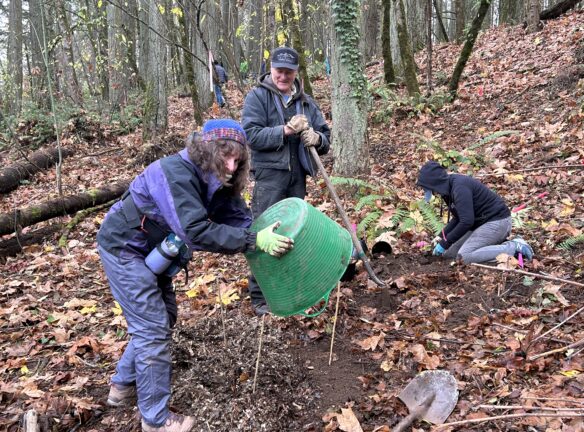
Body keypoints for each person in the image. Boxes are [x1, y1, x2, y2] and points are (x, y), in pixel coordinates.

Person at [97, 119, 293, 432]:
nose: (231, 166)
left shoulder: (218, 177)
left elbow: (240, 221)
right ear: (206, 150)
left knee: (164, 317)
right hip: (124, 248)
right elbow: (196, 230)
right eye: (225, 157)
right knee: (151, 328)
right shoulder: (174, 172)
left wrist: (268, 238)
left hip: (158, 251)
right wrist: (254, 241)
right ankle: (155, 421)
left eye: (237, 160)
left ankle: (120, 387)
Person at [241, 46, 331, 315]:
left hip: (297, 179)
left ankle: (288, 288)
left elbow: (325, 135)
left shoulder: (305, 102)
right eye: (279, 71)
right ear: (271, 70)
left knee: (293, 233)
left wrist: (317, 139)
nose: (283, 76)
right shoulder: (258, 98)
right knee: (264, 234)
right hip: (269, 177)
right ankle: (260, 298)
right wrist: (286, 130)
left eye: (289, 72)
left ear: (296, 73)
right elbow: (251, 135)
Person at [416, 161, 534, 264]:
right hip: (480, 224)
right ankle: (491, 244)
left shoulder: (459, 187)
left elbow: (466, 221)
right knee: (448, 253)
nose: (428, 191)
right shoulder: (448, 190)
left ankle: (515, 247)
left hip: (497, 221)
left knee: (465, 256)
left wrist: (445, 242)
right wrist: (441, 236)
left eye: (427, 187)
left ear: (435, 183)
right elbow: (458, 217)